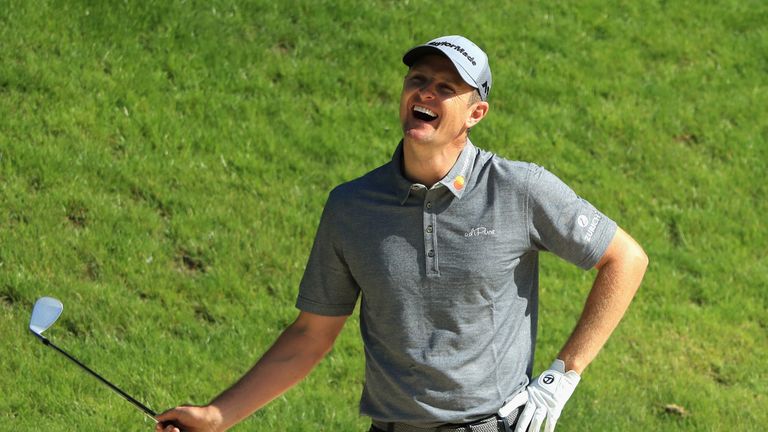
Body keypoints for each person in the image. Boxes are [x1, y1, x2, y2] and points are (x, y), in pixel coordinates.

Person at [156, 35, 648, 432]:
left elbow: (625, 259)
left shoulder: (518, 188)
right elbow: (310, 335)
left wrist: (561, 376)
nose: (426, 93)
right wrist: (216, 417)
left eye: (446, 88)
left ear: (475, 114)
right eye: (419, 79)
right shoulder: (351, 207)